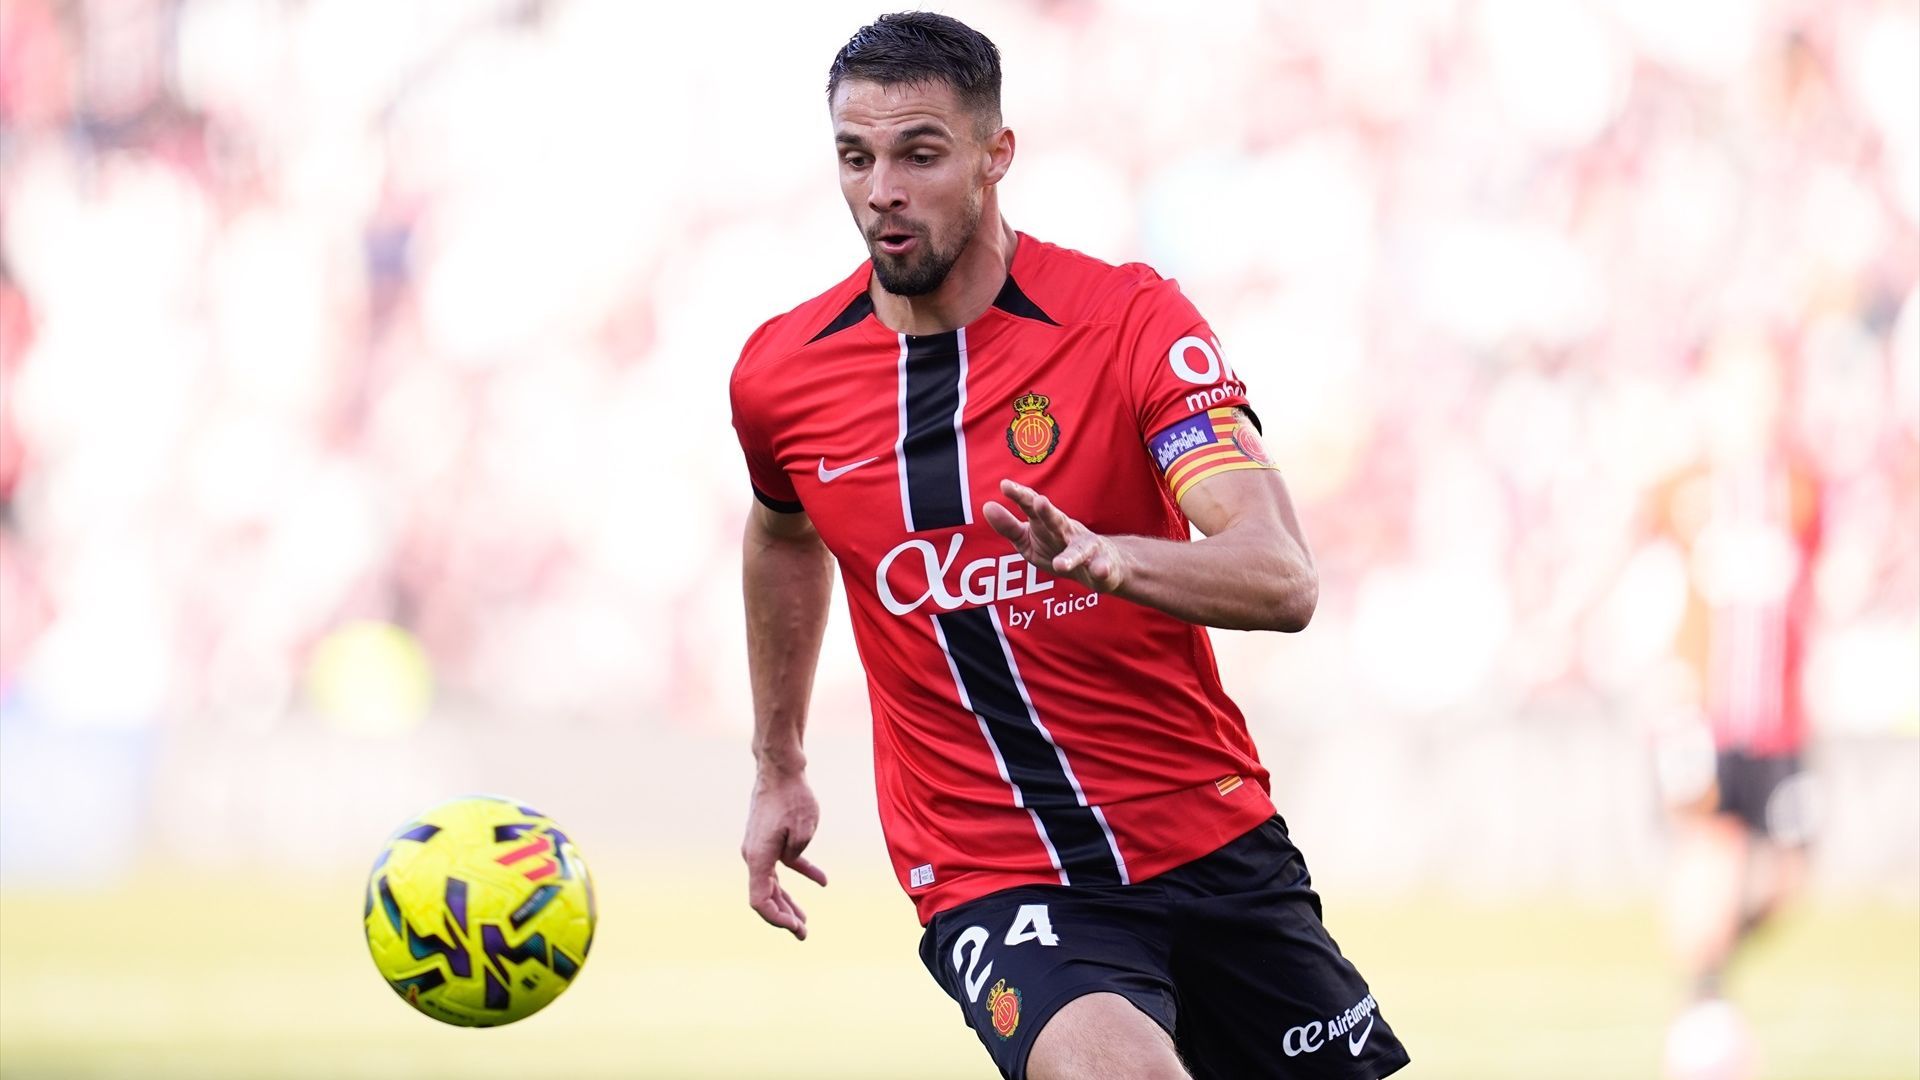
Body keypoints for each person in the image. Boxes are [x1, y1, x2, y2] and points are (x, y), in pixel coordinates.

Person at [730, 13, 1409, 1080]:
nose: (881, 192)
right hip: (993, 873)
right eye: (856, 159)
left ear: (996, 156)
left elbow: (1282, 577)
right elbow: (780, 534)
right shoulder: (781, 377)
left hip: (1209, 839)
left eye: (920, 154)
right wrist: (779, 761)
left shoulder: (1130, 322)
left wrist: (1112, 560)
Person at [1652, 335, 1821, 1079]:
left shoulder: (1801, 486)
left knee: (1785, 882)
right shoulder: (1684, 483)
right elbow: (1640, 574)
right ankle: (1702, 1008)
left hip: (1779, 720)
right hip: (1700, 714)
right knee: (1712, 863)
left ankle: (1709, 978)